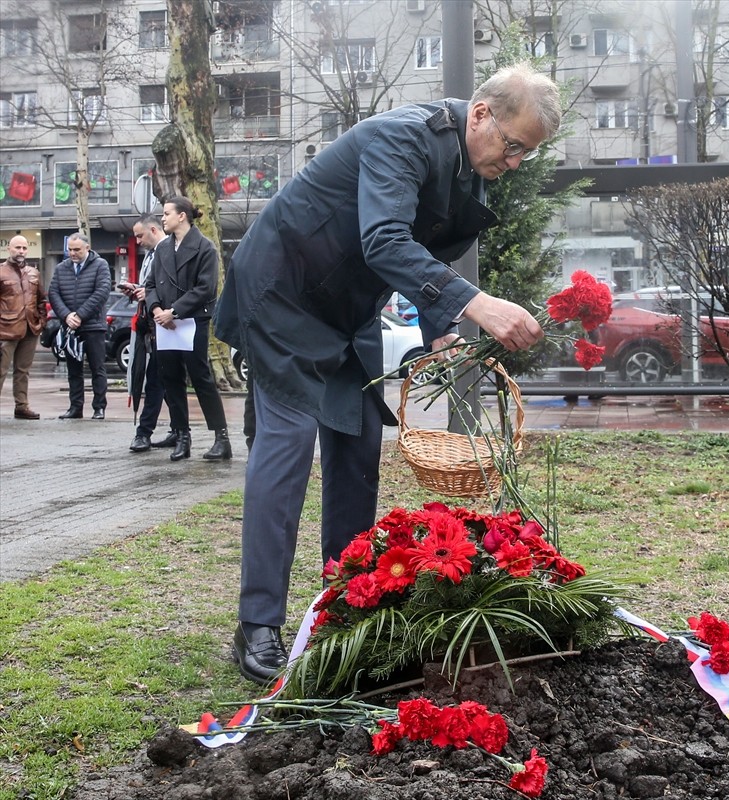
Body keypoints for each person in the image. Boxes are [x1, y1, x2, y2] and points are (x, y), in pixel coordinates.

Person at [213, 62, 558, 684]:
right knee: (288, 443)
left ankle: (344, 607)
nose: (513, 163)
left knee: (357, 445)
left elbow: (423, 254)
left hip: (348, 309)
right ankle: (257, 624)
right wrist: (476, 304)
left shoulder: (470, 166)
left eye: (524, 155)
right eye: (512, 146)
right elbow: (385, 240)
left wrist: (439, 326)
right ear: (481, 114)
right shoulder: (402, 136)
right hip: (284, 291)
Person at [145, 197, 231, 462]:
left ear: (182, 216)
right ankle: (182, 435)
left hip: (192, 321)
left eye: (166, 213)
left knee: (201, 378)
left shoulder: (205, 247)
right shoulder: (162, 248)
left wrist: (174, 311)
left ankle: (222, 438)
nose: (162, 218)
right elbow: (150, 284)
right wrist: (157, 310)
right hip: (165, 323)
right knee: (170, 378)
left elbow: (206, 288)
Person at [49, 233, 110, 419]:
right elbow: (53, 293)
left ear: (87, 248)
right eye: (70, 250)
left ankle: (99, 408)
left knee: (97, 368)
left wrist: (80, 315)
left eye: (77, 250)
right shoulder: (61, 268)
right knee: (74, 371)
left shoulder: (100, 265)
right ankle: (75, 407)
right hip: (70, 327)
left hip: (93, 326)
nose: (73, 253)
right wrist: (67, 315)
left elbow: (102, 292)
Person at [122, 216, 168, 452]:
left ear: (153, 229)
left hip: (165, 324)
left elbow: (169, 287)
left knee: (157, 380)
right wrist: (138, 291)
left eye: (140, 236)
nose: (138, 241)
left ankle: (144, 432)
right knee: (165, 380)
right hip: (150, 325)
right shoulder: (150, 255)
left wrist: (147, 294)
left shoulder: (168, 252)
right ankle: (179, 430)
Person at [0, 235, 48, 419]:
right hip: (5, 329)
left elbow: (41, 300)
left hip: (30, 328)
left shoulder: (33, 273)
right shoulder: (1, 272)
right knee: (1, 371)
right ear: (9, 249)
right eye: (17, 247)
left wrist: (41, 321)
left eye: (24, 248)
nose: (21, 251)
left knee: (23, 371)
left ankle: (21, 406)